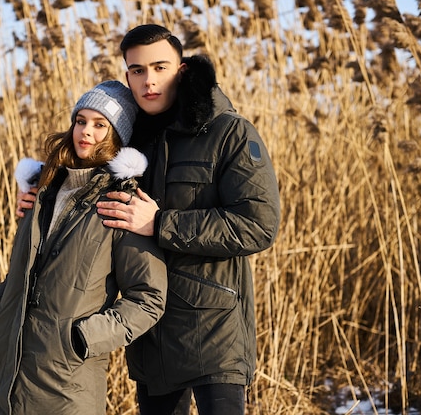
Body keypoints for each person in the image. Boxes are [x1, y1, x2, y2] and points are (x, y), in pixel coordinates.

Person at [17, 24, 280, 414]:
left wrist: (161, 224)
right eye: (137, 70)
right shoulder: (129, 141)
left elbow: (257, 225)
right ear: (127, 75)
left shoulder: (229, 132)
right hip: (150, 337)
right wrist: (43, 198)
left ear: (183, 70)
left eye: (160, 67)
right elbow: (85, 179)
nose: (148, 80)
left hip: (214, 333)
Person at [0, 80, 167, 415]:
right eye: (81, 121)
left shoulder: (121, 203)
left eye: (99, 125)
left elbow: (148, 298)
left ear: (116, 137)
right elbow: (24, 271)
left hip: (67, 385)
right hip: (3, 377)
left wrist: (85, 338)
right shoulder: (42, 191)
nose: (86, 132)